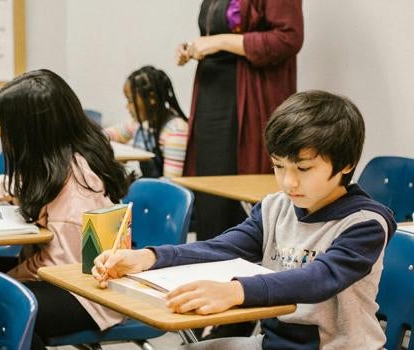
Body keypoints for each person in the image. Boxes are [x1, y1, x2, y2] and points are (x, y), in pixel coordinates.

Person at [93, 91, 396, 349]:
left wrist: (236, 291)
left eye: (303, 169)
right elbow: (223, 247)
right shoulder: (276, 207)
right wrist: (148, 257)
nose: (288, 182)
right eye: (279, 166)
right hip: (272, 343)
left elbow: (320, 278)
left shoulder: (364, 223)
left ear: (346, 164)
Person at [0, 69, 130, 349]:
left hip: (85, 294)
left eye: (2, 124)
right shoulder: (53, 163)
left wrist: (6, 280)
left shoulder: (77, 188)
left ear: (31, 131)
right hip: (58, 275)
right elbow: (13, 186)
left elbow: (60, 268)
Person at [175, 0, 304, 241]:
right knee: (211, 197)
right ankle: (206, 266)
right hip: (212, 94)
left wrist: (219, 41)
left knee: (239, 201)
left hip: (249, 99)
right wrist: (194, 47)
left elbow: (288, 38)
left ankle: (238, 274)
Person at [105, 65, 188, 178]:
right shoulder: (140, 124)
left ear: (151, 98)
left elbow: (171, 183)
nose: (127, 107)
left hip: (163, 192)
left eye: (130, 100)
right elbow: (109, 134)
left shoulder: (175, 130)